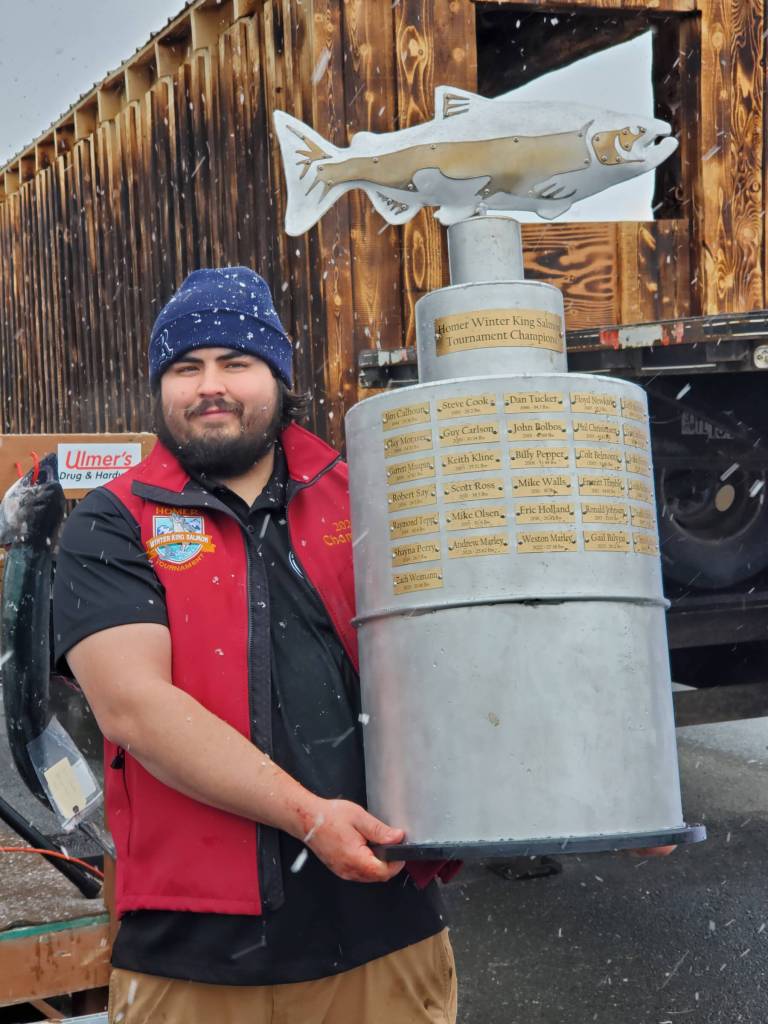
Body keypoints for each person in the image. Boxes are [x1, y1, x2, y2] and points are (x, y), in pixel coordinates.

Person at [53, 266, 457, 1024]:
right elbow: (135, 709)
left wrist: (594, 793)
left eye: (235, 362)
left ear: (277, 376)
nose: (211, 386)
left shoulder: (367, 494)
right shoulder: (110, 523)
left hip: (384, 934)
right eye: (185, 367)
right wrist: (310, 817)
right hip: (194, 955)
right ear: (160, 386)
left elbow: (461, 659)